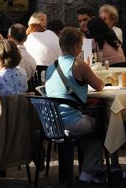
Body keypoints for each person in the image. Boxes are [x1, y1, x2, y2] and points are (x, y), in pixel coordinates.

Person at [45, 27, 105, 184]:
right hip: (71, 122)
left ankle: (91, 170)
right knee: (103, 126)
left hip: (51, 122)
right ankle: (88, 171)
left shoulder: (52, 66)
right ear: (77, 47)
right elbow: (99, 85)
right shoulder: (79, 65)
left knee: (90, 129)